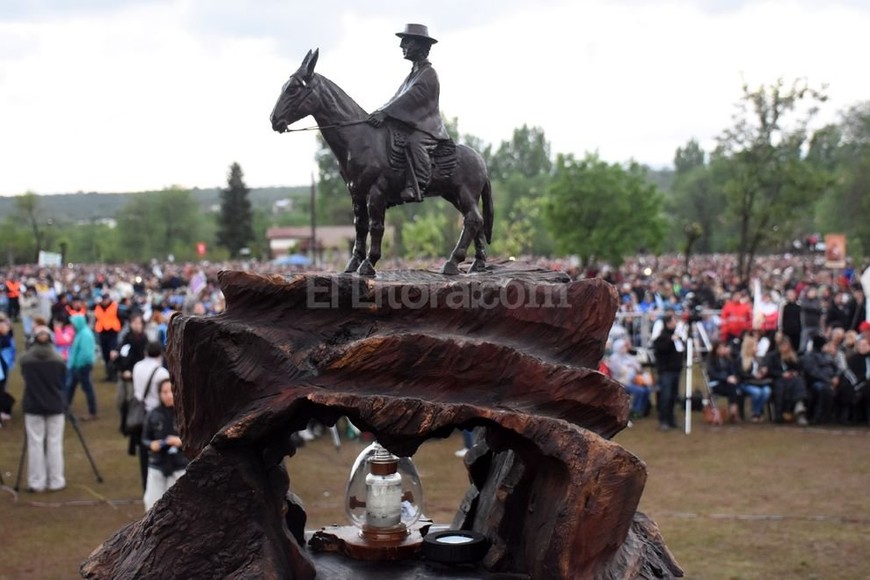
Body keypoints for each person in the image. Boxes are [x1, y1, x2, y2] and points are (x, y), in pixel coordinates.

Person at [367, 23, 450, 204]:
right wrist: (379, 112)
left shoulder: (428, 74)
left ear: (420, 46)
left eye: (407, 42)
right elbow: (396, 98)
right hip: (412, 124)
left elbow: (409, 99)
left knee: (414, 142)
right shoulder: (413, 74)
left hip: (427, 126)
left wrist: (385, 113)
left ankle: (418, 184)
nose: (401, 46)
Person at [20, 324, 67, 492]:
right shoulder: (58, 359)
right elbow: (62, 380)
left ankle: (36, 482)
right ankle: (56, 480)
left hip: (33, 405)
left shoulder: (25, 360)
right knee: (54, 443)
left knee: (35, 444)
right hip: (55, 404)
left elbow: (23, 375)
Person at [141, 378, 188, 511]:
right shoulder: (153, 415)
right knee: (151, 505)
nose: (168, 395)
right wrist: (151, 445)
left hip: (179, 466)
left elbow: (198, 440)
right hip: (157, 466)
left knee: (179, 507)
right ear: (159, 394)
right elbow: (144, 439)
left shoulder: (186, 414)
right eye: (164, 392)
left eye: (171, 391)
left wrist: (181, 442)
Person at [131, 341, 170, 491]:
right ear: (160, 354)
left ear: (146, 352)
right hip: (157, 417)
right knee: (159, 450)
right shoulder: (162, 373)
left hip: (140, 414)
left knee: (143, 449)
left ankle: (145, 484)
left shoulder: (137, 367)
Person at [762, 335, 809, 425]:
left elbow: (799, 369)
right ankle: (781, 413)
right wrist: (781, 374)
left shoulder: (792, 356)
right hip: (778, 379)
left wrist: (794, 372)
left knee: (798, 381)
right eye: (783, 346)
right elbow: (770, 370)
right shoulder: (772, 356)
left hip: (792, 379)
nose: (785, 348)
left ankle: (799, 404)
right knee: (781, 387)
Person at [652, 314, 684, 431]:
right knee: (665, 396)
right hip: (666, 371)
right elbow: (660, 349)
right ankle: (663, 420)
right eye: (673, 321)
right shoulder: (661, 338)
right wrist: (671, 341)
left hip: (676, 370)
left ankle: (671, 420)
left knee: (673, 397)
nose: (675, 323)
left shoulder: (677, 337)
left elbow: (681, 350)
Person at [608, 339, 651, 419]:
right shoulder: (614, 358)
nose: (626, 348)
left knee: (647, 390)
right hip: (621, 382)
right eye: (624, 346)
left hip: (633, 381)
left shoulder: (628, 356)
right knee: (640, 391)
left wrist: (631, 368)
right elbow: (619, 371)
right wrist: (630, 368)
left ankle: (642, 410)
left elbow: (638, 368)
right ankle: (635, 410)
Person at [801, 335, 840, 424]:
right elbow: (814, 373)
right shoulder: (809, 357)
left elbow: (836, 368)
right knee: (824, 390)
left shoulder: (827, 356)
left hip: (831, 381)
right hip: (816, 382)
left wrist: (836, 377)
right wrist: (829, 381)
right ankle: (819, 417)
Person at [66, 314, 98, 421]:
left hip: (82, 366)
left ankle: (92, 411)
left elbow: (86, 353)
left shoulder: (85, 334)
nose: (72, 326)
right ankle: (65, 408)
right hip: (76, 365)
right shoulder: (80, 333)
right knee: (70, 387)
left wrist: (78, 364)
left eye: (73, 323)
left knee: (86, 388)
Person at [737, 333, 772, 422]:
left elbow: (763, 372)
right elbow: (741, 374)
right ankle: (756, 412)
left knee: (767, 391)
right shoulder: (741, 360)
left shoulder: (759, 359)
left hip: (759, 382)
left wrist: (763, 371)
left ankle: (757, 411)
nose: (758, 348)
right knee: (756, 392)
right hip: (746, 383)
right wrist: (753, 376)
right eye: (756, 346)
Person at [706, 341, 742, 423]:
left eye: (724, 348)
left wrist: (733, 377)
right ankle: (734, 412)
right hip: (716, 383)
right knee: (733, 389)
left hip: (728, 383)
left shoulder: (728, 360)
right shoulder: (711, 360)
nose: (723, 350)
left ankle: (734, 411)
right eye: (721, 348)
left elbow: (733, 371)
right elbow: (712, 373)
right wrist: (726, 378)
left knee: (734, 388)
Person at [94, 292, 122, 382]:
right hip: (103, 333)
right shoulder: (98, 307)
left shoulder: (115, 306)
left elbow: (121, 317)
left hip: (112, 333)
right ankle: (109, 374)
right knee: (105, 354)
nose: (105, 301)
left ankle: (114, 374)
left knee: (113, 353)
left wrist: (118, 327)